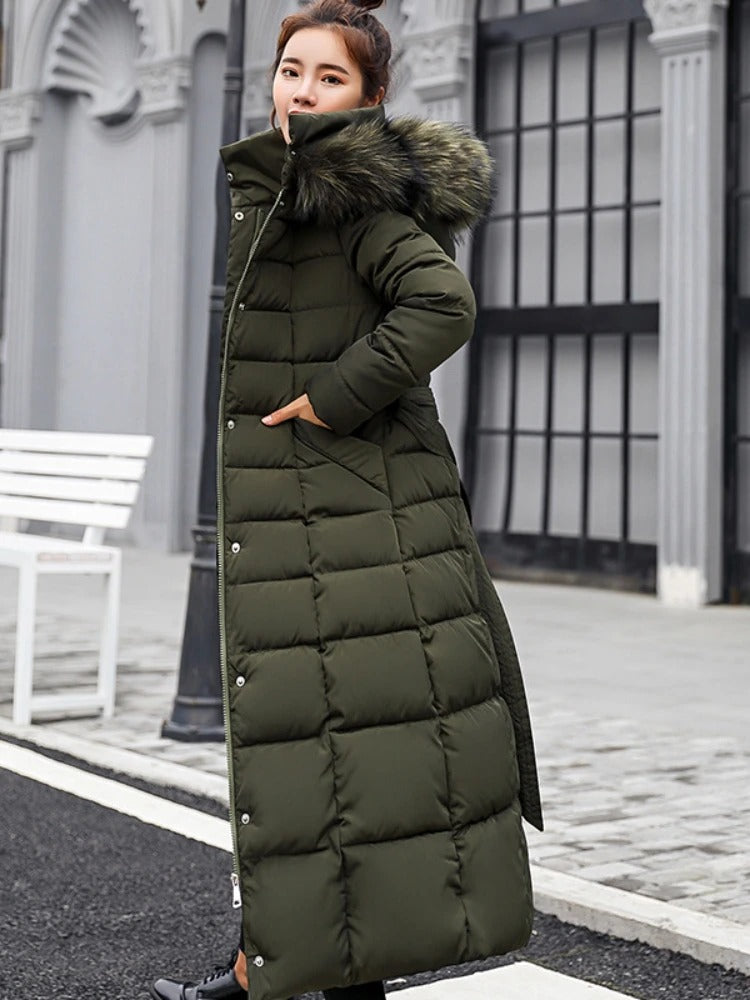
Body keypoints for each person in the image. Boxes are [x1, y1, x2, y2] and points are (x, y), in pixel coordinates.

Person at [149, 1, 543, 998]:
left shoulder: (351, 195)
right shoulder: (293, 186)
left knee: (333, 758)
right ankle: (260, 969)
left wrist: (331, 398)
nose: (302, 91)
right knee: (323, 765)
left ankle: (263, 976)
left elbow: (442, 304)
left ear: (369, 98)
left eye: (329, 78)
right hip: (324, 523)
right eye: (291, 70)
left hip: (357, 523)